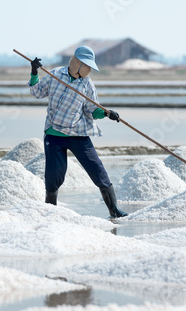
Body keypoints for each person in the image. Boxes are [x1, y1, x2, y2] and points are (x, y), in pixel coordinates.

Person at [28, 45, 128, 218]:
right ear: (78, 63)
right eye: (87, 66)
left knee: (98, 170)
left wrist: (105, 113)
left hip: (78, 134)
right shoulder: (55, 75)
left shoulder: (87, 85)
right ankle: (50, 212)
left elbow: (92, 110)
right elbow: (36, 92)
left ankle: (114, 210)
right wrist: (34, 72)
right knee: (53, 176)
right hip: (54, 134)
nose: (89, 70)